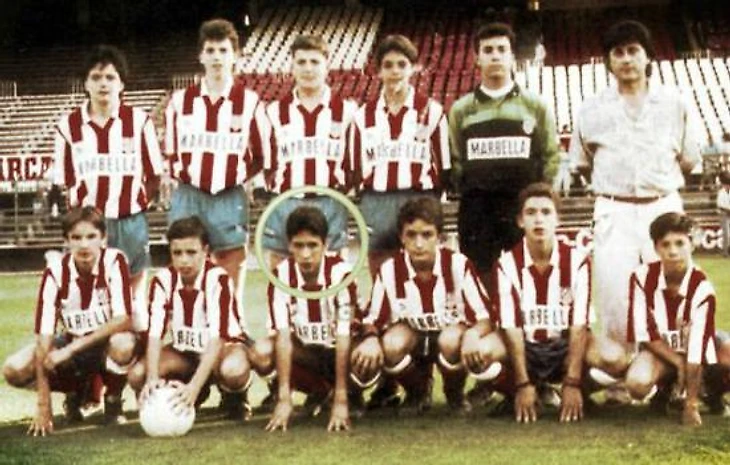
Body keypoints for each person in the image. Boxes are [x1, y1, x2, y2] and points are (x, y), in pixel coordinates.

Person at [570, 20, 701, 357]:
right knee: (616, 295)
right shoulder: (591, 108)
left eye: (633, 51)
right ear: (608, 61)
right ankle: (620, 373)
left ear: (648, 56)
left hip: (663, 205)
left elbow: (689, 160)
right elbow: (582, 163)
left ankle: (676, 372)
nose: (626, 59)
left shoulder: (675, 103)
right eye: (618, 52)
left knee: (674, 291)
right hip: (614, 208)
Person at [460, 183, 629, 423]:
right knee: (478, 354)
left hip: (563, 347)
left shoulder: (578, 261)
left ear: (557, 219)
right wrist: (522, 383)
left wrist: (572, 382)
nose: (539, 219)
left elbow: (579, 326)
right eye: (531, 213)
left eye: (546, 212)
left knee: (616, 359)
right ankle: (517, 393)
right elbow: (511, 328)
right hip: (525, 346)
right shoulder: (507, 264)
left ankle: (579, 393)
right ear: (520, 221)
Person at [51, 45, 164, 334]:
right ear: (86, 83)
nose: (103, 84)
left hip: (130, 223)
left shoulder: (139, 122)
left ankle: (135, 359)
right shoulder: (68, 126)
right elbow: (65, 180)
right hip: (88, 229)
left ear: (122, 84)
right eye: (96, 77)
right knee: (85, 306)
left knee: (135, 309)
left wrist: (135, 205)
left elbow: (154, 176)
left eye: (110, 77)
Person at [164, 18, 270, 312]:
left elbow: (261, 155)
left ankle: (233, 322)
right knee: (185, 260)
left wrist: (239, 178)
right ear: (200, 56)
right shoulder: (180, 102)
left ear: (235, 55)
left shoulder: (249, 102)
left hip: (228, 194)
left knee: (231, 259)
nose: (216, 58)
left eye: (223, 50)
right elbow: (171, 152)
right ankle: (187, 322)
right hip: (189, 193)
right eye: (210, 51)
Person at [2, 206, 138, 435]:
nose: (84, 245)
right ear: (66, 241)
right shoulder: (55, 272)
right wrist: (43, 404)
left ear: (103, 238)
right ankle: (74, 392)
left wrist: (69, 350)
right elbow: (44, 339)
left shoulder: (114, 261)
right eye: (76, 238)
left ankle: (113, 400)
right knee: (13, 369)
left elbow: (122, 319)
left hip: (104, 346)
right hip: (74, 348)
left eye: (91, 236)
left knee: (123, 343)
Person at [361, 196, 493, 415]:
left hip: (449, 337)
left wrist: (472, 334)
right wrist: (370, 339)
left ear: (440, 237)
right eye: (411, 235)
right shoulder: (390, 270)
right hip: (414, 337)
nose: (419, 243)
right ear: (401, 237)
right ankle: (417, 392)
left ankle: (454, 392)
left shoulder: (458, 265)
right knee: (391, 343)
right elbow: (371, 319)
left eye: (427, 235)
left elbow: (485, 316)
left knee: (450, 339)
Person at [448, 22, 558, 283]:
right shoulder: (461, 110)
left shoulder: (536, 106)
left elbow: (551, 157)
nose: (495, 56)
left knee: (524, 280)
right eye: (488, 50)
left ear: (512, 56)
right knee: (479, 280)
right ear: (477, 58)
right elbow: (455, 161)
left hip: (520, 209)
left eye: (501, 49)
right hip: (477, 210)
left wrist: (537, 198)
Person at [253, 206, 374, 432]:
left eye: (312, 245)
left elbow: (344, 336)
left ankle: (349, 393)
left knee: (368, 354)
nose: (306, 254)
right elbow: (283, 337)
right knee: (261, 351)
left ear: (325, 245)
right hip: (308, 353)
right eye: (299, 246)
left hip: (341, 351)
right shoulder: (280, 276)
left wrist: (341, 400)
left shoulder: (342, 274)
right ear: (289, 245)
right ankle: (318, 391)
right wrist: (284, 398)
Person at [128, 217, 259, 420]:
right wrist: (152, 378)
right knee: (138, 374)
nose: (184, 260)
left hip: (224, 350)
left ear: (205, 251)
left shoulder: (217, 279)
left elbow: (217, 339)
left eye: (191, 252)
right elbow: (155, 336)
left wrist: (194, 388)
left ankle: (235, 396)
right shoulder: (162, 280)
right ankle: (189, 393)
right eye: (177, 253)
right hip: (186, 353)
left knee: (233, 369)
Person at [350, 34, 450, 277]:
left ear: (413, 68)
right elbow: (356, 169)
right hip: (378, 201)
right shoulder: (363, 116)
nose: (395, 71)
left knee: (423, 269)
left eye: (401, 64)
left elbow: (443, 166)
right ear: (378, 71)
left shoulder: (432, 111)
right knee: (381, 271)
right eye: (388, 65)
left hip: (418, 197)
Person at [262, 34, 358, 269]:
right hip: (286, 200)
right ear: (292, 66)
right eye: (301, 62)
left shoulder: (347, 111)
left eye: (314, 62)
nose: (308, 68)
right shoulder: (274, 111)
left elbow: (353, 162)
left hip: (330, 202)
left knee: (334, 269)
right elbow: (265, 161)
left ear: (327, 65)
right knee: (280, 269)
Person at [625, 212, 718, 426]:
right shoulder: (641, 277)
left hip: (696, 349)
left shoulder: (702, 288)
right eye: (665, 244)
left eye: (680, 243)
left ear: (691, 244)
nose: (673, 251)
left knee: (727, 357)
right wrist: (678, 363)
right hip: (661, 351)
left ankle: (711, 393)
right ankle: (665, 391)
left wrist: (691, 405)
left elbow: (697, 350)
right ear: (656, 248)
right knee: (637, 384)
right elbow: (644, 333)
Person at [717, 171, 730, 257]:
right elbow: (720, 205)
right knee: (726, 234)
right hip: (724, 213)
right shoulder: (721, 192)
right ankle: (725, 252)